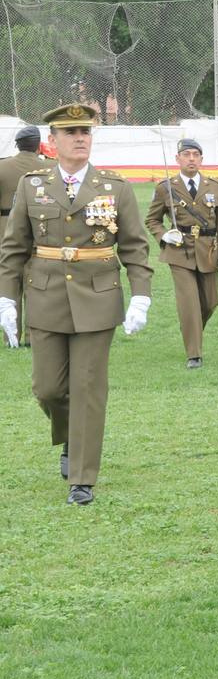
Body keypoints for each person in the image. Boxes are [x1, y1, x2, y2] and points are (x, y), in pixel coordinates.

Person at [0, 103, 153, 505]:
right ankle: (70, 434)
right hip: (46, 295)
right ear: (52, 142)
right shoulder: (32, 185)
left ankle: (82, 478)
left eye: (85, 131)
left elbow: (135, 246)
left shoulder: (114, 187)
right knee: (47, 388)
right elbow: (14, 247)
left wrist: (141, 294)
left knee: (87, 388)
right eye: (70, 132)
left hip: (97, 297)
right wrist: (6, 298)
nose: (80, 137)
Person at [144, 139, 218, 368]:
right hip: (179, 252)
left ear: (201, 159)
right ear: (178, 159)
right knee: (189, 303)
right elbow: (152, 220)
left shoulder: (215, 187)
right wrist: (164, 235)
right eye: (186, 154)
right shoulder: (165, 187)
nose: (191, 158)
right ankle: (194, 354)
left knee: (210, 303)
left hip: (208, 251)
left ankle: (190, 327)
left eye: (195, 154)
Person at [0, 124, 48, 345]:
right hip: (41, 228)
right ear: (38, 145)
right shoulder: (51, 168)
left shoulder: (3, 167)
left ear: (18, 145)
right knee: (36, 283)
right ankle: (33, 336)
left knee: (9, 281)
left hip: (5, 227)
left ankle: (11, 335)